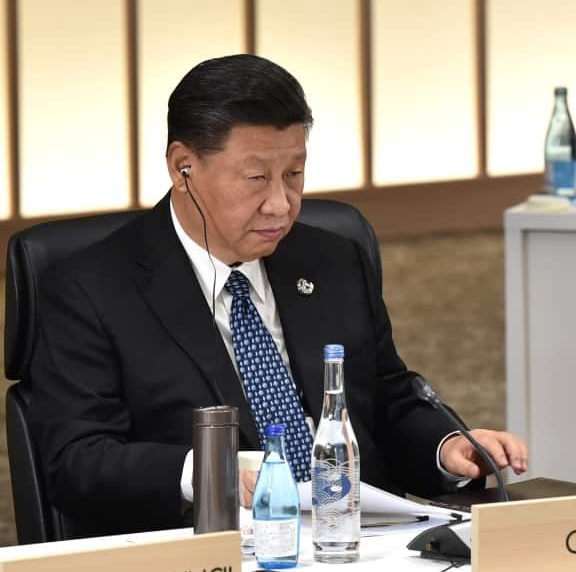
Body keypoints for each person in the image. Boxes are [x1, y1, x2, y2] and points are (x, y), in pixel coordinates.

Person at [30, 54, 528, 537]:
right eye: (256, 179)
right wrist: (209, 471)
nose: (281, 204)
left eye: (294, 175)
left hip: (355, 544)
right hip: (205, 564)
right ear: (183, 167)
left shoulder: (333, 259)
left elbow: (385, 400)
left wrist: (444, 447)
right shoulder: (92, 288)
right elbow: (78, 460)